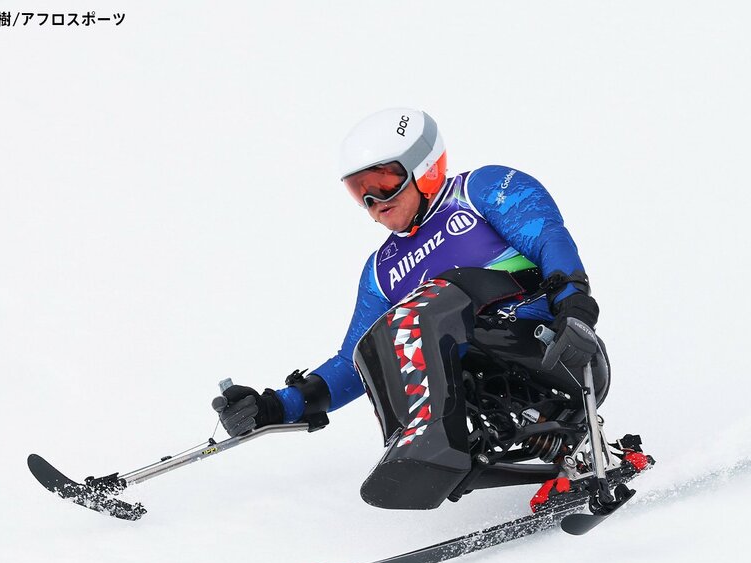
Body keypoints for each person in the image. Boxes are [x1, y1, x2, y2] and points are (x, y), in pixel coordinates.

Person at [214, 108, 604, 506]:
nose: (373, 201)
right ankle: (424, 449)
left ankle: (431, 442)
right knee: (378, 341)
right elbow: (353, 363)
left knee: (440, 294)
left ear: (425, 168)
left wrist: (575, 308)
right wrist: (277, 405)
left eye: (383, 183)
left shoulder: (481, 190)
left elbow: (548, 240)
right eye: (359, 191)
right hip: (485, 385)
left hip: (554, 350)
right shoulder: (382, 270)